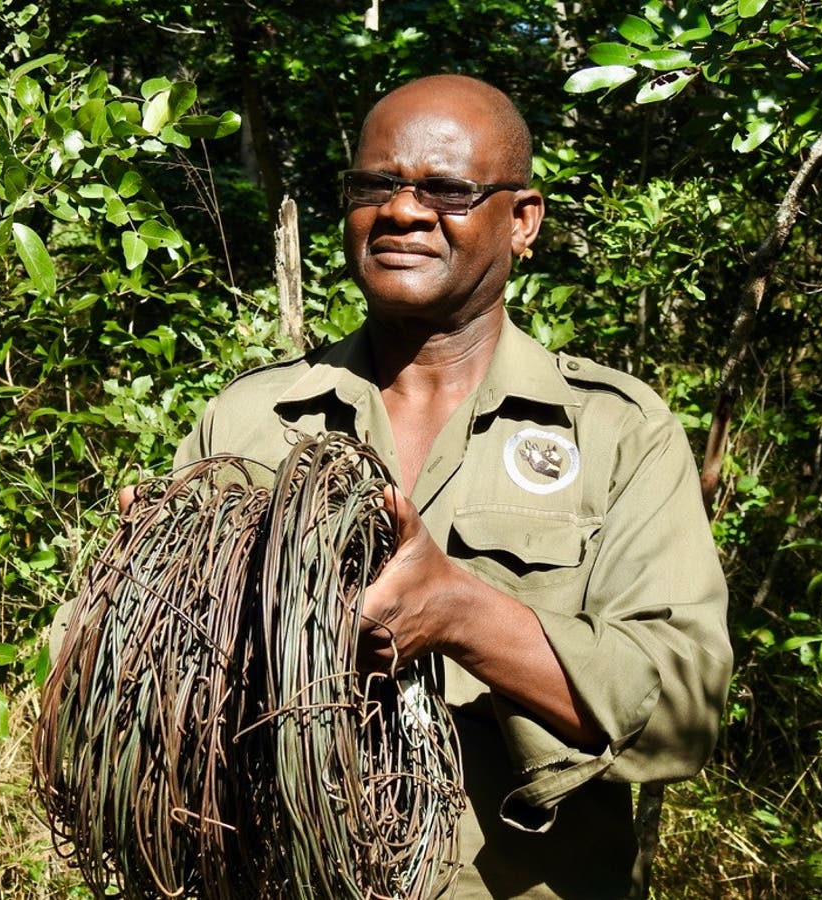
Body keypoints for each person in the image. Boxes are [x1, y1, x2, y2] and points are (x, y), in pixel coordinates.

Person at [170, 74, 733, 898]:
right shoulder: (250, 420)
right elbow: (103, 680)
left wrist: (461, 616)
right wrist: (150, 600)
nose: (402, 211)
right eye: (376, 185)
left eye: (447, 189)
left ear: (523, 221)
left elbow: (681, 710)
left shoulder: (616, 430)